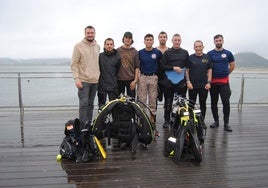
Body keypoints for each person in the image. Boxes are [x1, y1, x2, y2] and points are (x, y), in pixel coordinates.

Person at [71, 25, 100, 125]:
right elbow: (74, 63)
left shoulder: (97, 46)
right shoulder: (78, 46)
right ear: (85, 34)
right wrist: (76, 79)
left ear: (94, 34)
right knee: (83, 104)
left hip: (95, 81)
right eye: (88, 33)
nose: (90, 35)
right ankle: (82, 126)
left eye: (92, 33)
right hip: (83, 80)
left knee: (91, 104)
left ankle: (89, 124)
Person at [160, 33, 189, 128]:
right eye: (175, 40)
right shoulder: (167, 53)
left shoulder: (185, 52)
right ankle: (167, 120)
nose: (177, 42)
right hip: (169, 81)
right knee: (168, 102)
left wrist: (188, 81)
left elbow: (188, 68)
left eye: (178, 40)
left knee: (181, 102)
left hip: (181, 82)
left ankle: (180, 119)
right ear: (172, 41)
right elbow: (162, 66)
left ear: (180, 41)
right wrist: (173, 68)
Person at [207, 34, 235, 132]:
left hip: (224, 82)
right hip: (213, 82)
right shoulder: (210, 54)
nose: (218, 42)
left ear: (222, 41)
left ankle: (226, 123)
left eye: (220, 40)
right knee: (213, 103)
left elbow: (232, 65)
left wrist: (226, 73)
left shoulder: (228, 53)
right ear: (214, 42)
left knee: (226, 102)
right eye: (216, 41)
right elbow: (207, 67)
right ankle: (216, 121)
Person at [137, 33, 162, 133]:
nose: (149, 41)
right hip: (142, 77)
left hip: (153, 77)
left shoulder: (157, 52)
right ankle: (142, 120)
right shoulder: (140, 52)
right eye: (147, 39)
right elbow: (137, 65)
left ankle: (152, 121)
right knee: (142, 100)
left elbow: (161, 64)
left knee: (152, 100)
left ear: (153, 41)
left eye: (150, 39)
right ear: (144, 41)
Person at [185, 40, 212, 120]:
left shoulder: (207, 57)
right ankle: (191, 120)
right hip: (192, 85)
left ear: (203, 47)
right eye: (196, 47)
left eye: (200, 46)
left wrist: (209, 82)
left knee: (202, 103)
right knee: (191, 104)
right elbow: (187, 71)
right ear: (194, 48)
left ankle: (201, 120)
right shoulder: (190, 57)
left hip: (204, 86)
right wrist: (188, 81)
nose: (198, 48)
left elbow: (209, 70)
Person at [97, 38, 121, 109]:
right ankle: (102, 120)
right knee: (101, 107)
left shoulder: (117, 57)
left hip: (113, 86)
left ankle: (114, 120)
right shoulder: (100, 56)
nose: (109, 46)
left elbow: (118, 70)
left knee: (114, 107)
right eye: (107, 44)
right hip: (102, 86)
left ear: (113, 46)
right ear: (104, 46)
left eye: (111, 44)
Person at [117, 32, 140, 98]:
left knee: (131, 100)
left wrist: (135, 81)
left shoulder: (135, 51)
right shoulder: (118, 51)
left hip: (131, 80)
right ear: (123, 39)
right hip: (119, 80)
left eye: (129, 38)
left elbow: (137, 67)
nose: (127, 40)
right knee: (119, 100)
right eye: (126, 38)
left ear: (131, 40)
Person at [157, 31, 169, 103]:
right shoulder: (154, 50)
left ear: (166, 38)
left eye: (164, 37)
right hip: (156, 78)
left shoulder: (170, 50)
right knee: (155, 98)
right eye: (161, 37)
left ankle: (166, 114)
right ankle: (153, 114)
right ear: (158, 38)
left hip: (167, 78)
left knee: (167, 99)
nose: (162, 38)